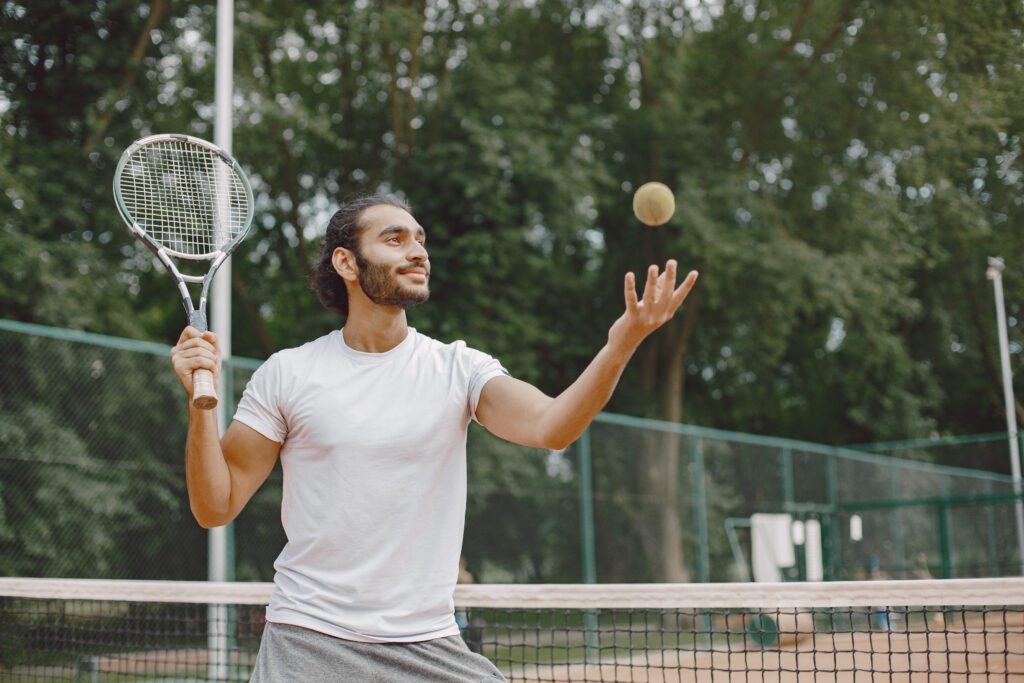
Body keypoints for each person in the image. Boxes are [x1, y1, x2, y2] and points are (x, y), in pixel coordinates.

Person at [170, 195, 699, 681]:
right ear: (347, 263)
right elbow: (215, 506)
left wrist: (621, 342)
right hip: (309, 640)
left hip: (428, 643)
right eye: (395, 239)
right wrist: (200, 408)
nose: (418, 251)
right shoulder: (288, 373)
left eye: (420, 238)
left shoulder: (459, 369)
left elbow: (552, 428)